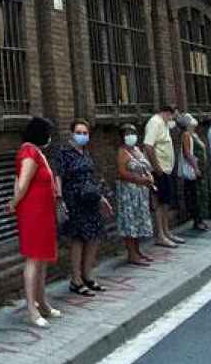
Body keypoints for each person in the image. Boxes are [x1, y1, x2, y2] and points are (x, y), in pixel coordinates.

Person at [8, 116, 62, 327]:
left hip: (43, 213)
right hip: (33, 214)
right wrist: (14, 203)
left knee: (41, 259)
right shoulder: (29, 152)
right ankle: (32, 309)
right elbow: (21, 183)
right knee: (33, 259)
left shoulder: (35, 152)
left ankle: (43, 303)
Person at [51, 119, 113, 295]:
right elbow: (58, 175)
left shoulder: (86, 152)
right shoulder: (64, 153)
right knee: (78, 239)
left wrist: (102, 197)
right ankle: (76, 279)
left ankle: (88, 275)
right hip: (74, 199)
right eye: (79, 132)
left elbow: (93, 176)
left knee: (93, 236)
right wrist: (59, 197)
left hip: (91, 199)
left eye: (85, 133)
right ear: (72, 133)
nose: (82, 136)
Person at [113, 122, 156, 267]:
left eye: (132, 133)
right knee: (130, 223)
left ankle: (138, 251)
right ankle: (131, 254)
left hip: (141, 192)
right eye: (127, 134)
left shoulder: (137, 149)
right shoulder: (122, 152)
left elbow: (146, 166)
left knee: (138, 222)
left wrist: (149, 177)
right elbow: (122, 173)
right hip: (128, 192)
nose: (130, 136)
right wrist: (141, 180)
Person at [144, 105, 183, 248]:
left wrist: (177, 116)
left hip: (166, 170)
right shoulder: (155, 123)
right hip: (159, 170)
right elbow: (148, 146)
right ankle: (160, 235)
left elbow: (180, 123)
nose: (172, 119)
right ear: (166, 113)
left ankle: (167, 231)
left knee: (166, 202)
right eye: (172, 115)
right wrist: (157, 168)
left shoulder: (165, 123)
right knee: (160, 203)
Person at [176, 112, 211, 229]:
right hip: (194, 169)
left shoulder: (193, 134)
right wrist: (195, 167)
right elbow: (187, 153)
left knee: (200, 194)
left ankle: (201, 218)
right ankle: (197, 220)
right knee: (195, 194)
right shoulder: (186, 134)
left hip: (200, 168)